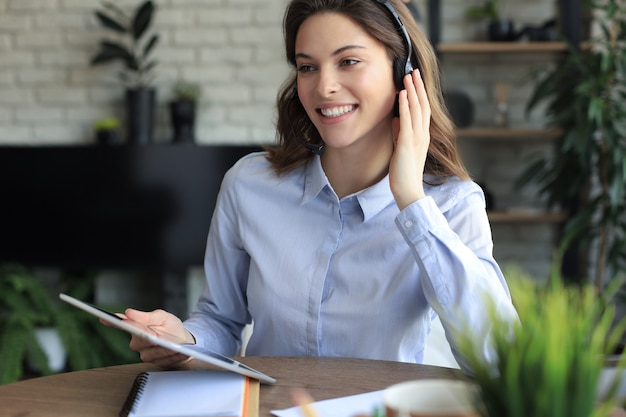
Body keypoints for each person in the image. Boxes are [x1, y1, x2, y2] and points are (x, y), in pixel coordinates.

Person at [119, 0, 518, 374]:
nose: (324, 86)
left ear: (404, 74)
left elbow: (499, 357)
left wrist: (412, 201)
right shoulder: (248, 186)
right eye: (308, 67)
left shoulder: (452, 204)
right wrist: (184, 341)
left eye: (348, 61)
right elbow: (222, 320)